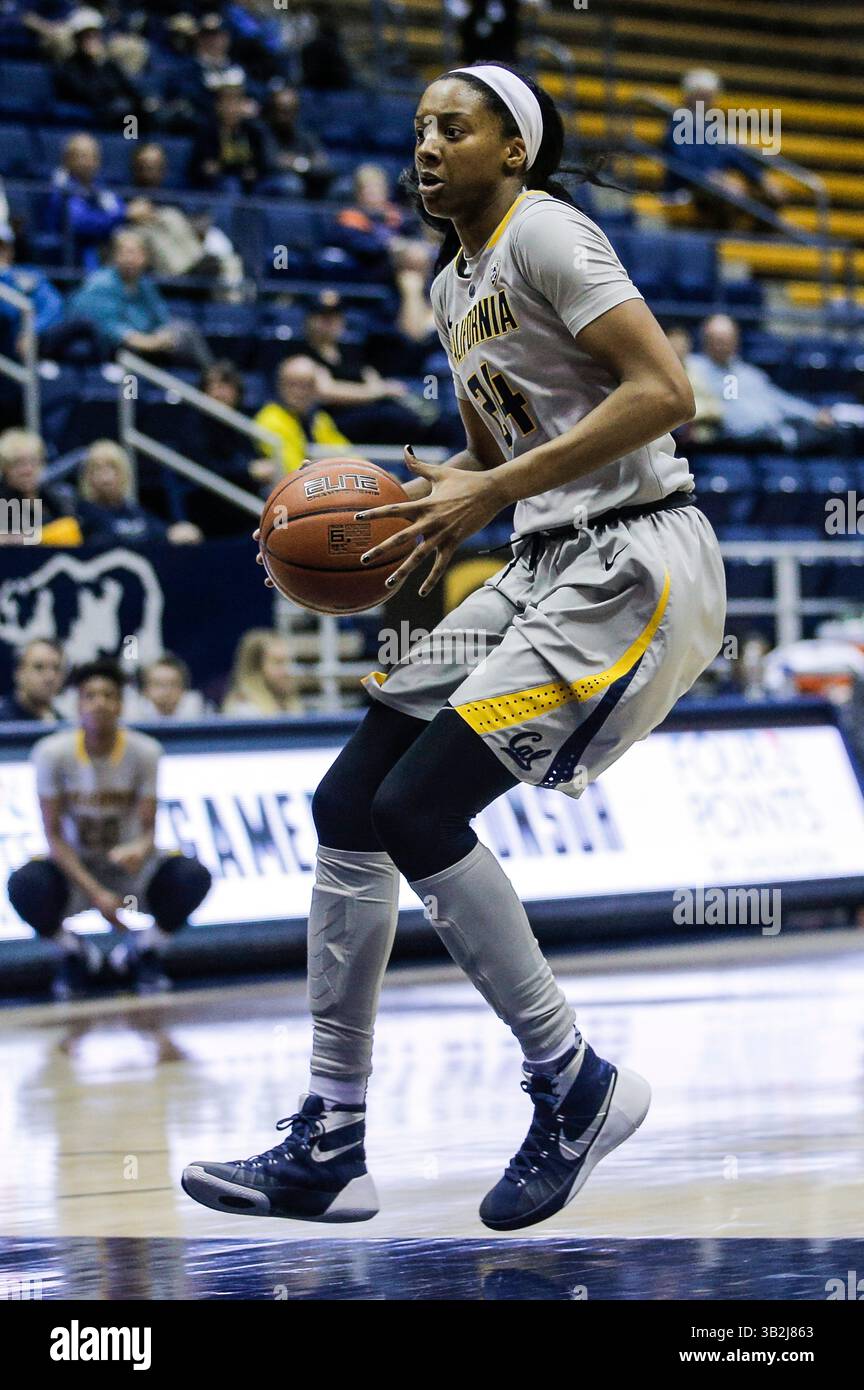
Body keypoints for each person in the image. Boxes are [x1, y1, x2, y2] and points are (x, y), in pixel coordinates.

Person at [182, 62, 726, 1230]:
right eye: (418, 126)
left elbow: (666, 391)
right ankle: (331, 1138)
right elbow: (496, 457)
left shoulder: (551, 238)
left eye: (454, 127)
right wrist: (432, 505)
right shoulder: (450, 283)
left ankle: (572, 1081)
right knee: (351, 801)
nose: (427, 144)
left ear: (512, 151)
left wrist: (492, 493)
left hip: (635, 561)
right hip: (543, 560)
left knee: (422, 812)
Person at [7, 658, 212, 1001]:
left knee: (192, 876)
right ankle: (74, 953)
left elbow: (149, 830)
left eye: (108, 695)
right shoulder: (50, 753)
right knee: (24, 885)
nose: (99, 703)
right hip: (75, 873)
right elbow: (53, 836)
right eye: (90, 695)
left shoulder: (145, 751)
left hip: (128, 876)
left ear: (121, 704)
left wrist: (138, 849)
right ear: (77, 703)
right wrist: (95, 893)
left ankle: (143, 951)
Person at [687, 314, 849, 451]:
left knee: (840, 432)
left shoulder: (749, 373)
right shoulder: (693, 368)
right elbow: (730, 415)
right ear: (705, 340)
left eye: (727, 339)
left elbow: (778, 399)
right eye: (717, 340)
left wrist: (813, 415)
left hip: (775, 437)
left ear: (736, 341)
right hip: (732, 444)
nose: (722, 345)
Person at [63, 229, 213, 369]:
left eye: (136, 253)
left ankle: (210, 378)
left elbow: (161, 318)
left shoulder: (145, 284)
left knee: (185, 331)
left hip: (148, 342)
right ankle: (132, 394)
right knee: (132, 356)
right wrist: (148, 342)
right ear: (115, 256)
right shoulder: (100, 283)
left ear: (145, 257)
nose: (130, 259)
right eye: (125, 253)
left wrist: (162, 335)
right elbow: (109, 329)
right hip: (111, 349)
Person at [126, 143, 244, 292]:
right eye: (145, 166)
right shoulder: (125, 196)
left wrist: (197, 227)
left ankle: (234, 310)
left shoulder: (172, 198)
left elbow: (188, 228)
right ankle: (188, 276)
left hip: (193, 255)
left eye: (156, 166)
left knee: (231, 262)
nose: (150, 171)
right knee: (153, 227)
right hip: (170, 268)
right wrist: (130, 213)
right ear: (135, 168)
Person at [76, 438, 203, 545]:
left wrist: (180, 532)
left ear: (123, 473)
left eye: (112, 467)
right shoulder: (83, 514)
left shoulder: (131, 510)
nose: (105, 477)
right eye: (97, 469)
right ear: (88, 476)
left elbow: (162, 532)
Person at [253, 354, 350, 481]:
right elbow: (293, 470)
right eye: (292, 384)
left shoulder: (320, 418)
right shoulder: (270, 418)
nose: (299, 392)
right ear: (280, 385)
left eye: (307, 385)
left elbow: (347, 456)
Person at [44, 132, 126, 269]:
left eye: (94, 157)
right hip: (74, 247)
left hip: (101, 244)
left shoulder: (100, 187)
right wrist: (124, 215)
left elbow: (116, 208)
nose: (89, 163)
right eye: (82, 156)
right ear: (67, 159)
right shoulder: (60, 185)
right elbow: (79, 223)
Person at [0, 428, 81, 545]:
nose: (27, 470)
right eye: (18, 463)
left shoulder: (54, 498)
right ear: (5, 468)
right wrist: (42, 536)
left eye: (33, 462)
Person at [188, 80, 268, 193]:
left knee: (286, 184)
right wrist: (238, 170)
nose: (232, 109)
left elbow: (261, 166)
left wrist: (226, 168)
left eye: (237, 103)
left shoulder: (253, 131)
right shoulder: (207, 132)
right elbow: (203, 169)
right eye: (227, 103)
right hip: (215, 185)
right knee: (231, 184)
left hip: (253, 184)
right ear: (218, 106)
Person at [259, 85, 333, 199]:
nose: (285, 116)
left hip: (304, 183)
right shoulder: (262, 133)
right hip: (266, 185)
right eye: (281, 110)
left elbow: (322, 163)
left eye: (290, 110)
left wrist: (297, 163)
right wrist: (306, 163)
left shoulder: (304, 135)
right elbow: (271, 162)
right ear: (271, 110)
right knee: (291, 184)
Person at [221, 629, 304, 717]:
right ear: (256, 669)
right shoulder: (245, 711)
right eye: (278, 662)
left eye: (288, 662)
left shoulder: (289, 707)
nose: (288, 671)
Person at [0, 639, 64, 722]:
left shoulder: (63, 725)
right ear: (19, 672)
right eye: (39, 667)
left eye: (56, 668)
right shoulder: (2, 721)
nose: (50, 676)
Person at [131, 653, 207, 721]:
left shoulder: (200, 710)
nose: (166, 691)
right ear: (145, 690)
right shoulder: (132, 713)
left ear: (184, 689)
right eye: (159, 684)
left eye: (173, 684)